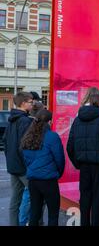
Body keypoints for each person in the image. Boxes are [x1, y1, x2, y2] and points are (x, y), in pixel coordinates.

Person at [67, 93, 99, 226]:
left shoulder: (78, 121)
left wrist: (78, 163)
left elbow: (70, 146)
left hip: (84, 166)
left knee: (84, 199)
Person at [21, 110, 65, 226]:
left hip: (33, 180)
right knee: (53, 214)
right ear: (49, 121)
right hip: (49, 181)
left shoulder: (28, 136)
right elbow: (60, 159)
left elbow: (25, 158)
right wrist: (57, 173)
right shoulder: (52, 136)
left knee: (34, 213)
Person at [4, 91, 33, 226]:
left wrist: (11, 160)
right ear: (23, 103)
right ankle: (23, 222)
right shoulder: (25, 121)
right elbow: (26, 146)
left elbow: (6, 143)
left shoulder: (11, 120)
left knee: (15, 200)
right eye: (30, 102)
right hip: (23, 167)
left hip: (13, 166)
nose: (32, 104)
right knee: (36, 196)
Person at [18, 97, 45, 226]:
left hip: (26, 167)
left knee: (26, 196)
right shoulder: (31, 125)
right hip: (31, 169)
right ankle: (27, 222)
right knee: (29, 195)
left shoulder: (29, 123)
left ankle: (24, 221)